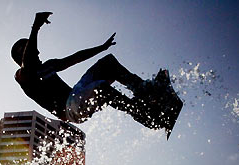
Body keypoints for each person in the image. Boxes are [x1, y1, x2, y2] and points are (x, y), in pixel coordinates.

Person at [11, 12, 157, 125]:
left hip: (77, 93)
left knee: (108, 62)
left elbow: (76, 57)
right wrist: (35, 28)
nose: (37, 52)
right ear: (22, 58)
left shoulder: (48, 65)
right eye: (31, 49)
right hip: (69, 111)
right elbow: (28, 62)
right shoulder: (22, 76)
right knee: (101, 88)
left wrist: (102, 47)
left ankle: (147, 91)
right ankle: (146, 115)